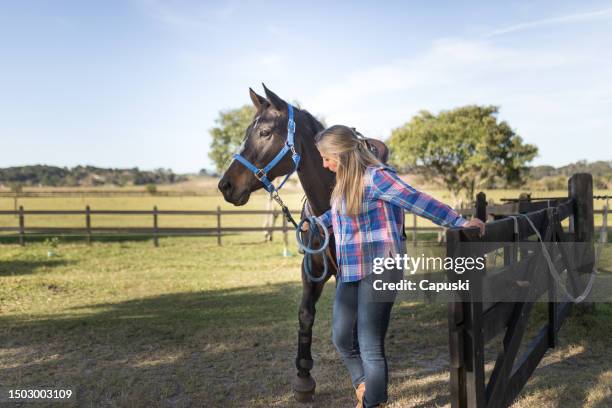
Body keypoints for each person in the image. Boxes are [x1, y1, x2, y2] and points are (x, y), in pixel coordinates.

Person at [306, 125, 485, 408]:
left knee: (369, 345)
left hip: (381, 266)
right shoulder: (344, 181)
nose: (324, 164)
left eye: (327, 157)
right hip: (351, 268)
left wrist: (460, 222)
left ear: (341, 154)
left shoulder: (378, 178)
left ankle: (373, 402)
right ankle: (365, 386)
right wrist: (317, 222)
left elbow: (418, 201)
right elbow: (341, 211)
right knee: (341, 337)